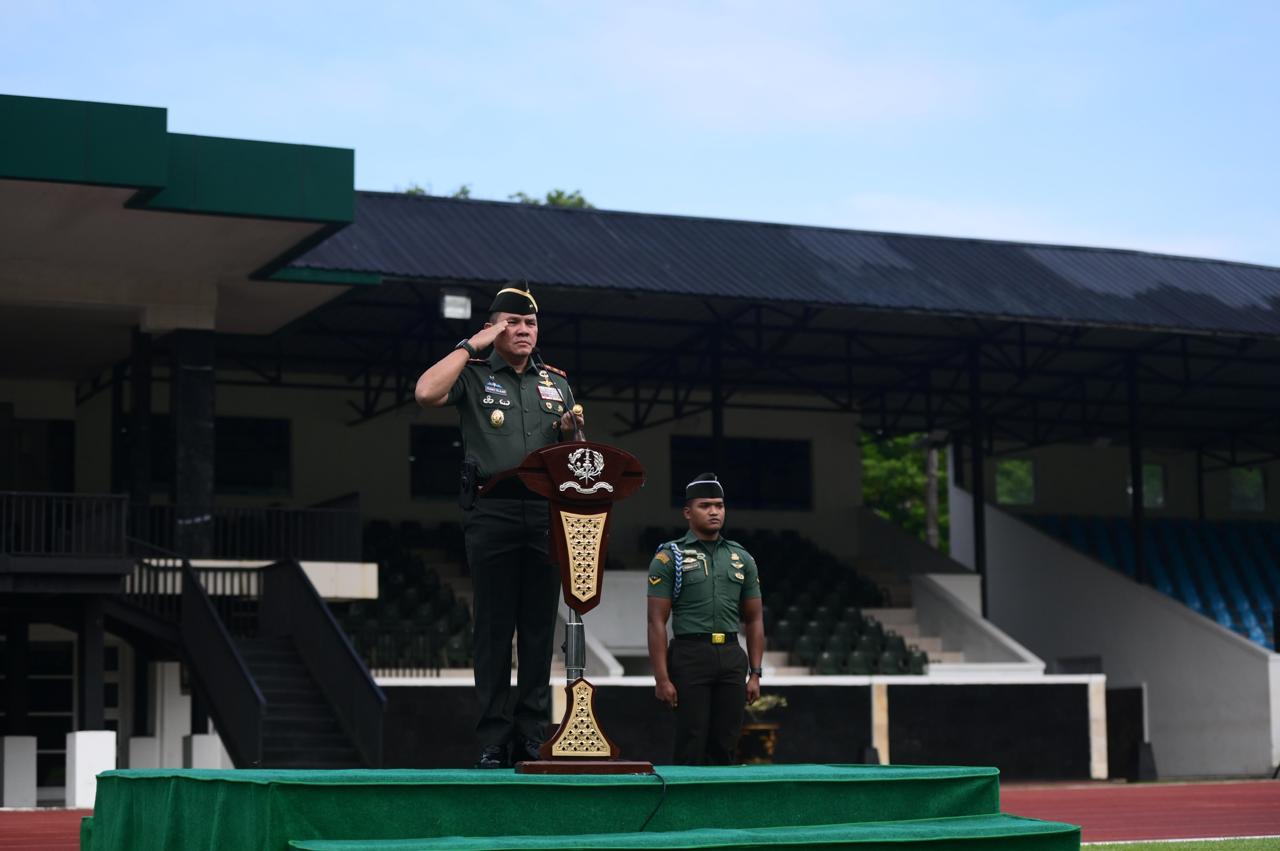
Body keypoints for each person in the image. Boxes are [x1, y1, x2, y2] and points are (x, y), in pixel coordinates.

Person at [415, 283, 583, 768]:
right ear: (495, 327)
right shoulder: (470, 374)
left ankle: (531, 734)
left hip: (546, 511)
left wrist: (574, 435)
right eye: (513, 323)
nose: (524, 331)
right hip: (492, 510)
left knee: (536, 630)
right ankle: (494, 737)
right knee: (492, 629)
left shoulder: (556, 382)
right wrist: (473, 344)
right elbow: (426, 392)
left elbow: (576, 450)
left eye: (530, 324)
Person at [645, 473, 765, 765]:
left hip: (730, 654)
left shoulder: (742, 558)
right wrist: (661, 678)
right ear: (688, 512)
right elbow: (656, 621)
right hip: (689, 655)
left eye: (720, 505)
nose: (714, 511)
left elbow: (754, 619)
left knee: (726, 743)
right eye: (705, 505)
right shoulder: (669, 557)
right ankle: (683, 810)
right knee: (691, 741)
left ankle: (720, 810)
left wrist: (756, 672)